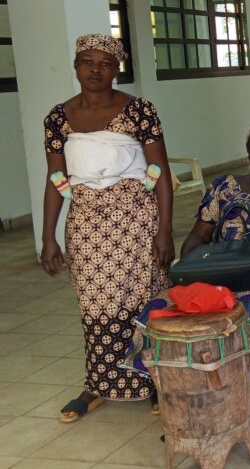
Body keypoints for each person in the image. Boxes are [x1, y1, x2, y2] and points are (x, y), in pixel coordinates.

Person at [125, 121, 250, 429]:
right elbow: (199, 235)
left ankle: (246, 396)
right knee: (162, 306)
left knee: (247, 313)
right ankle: (186, 390)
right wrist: (190, 270)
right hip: (222, 268)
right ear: (247, 151)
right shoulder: (225, 186)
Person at [40, 35, 174, 422]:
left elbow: (159, 171)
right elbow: (56, 178)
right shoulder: (58, 118)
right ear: (76, 66)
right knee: (95, 305)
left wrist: (164, 231)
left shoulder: (139, 110)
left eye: (104, 63)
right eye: (87, 62)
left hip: (136, 218)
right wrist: (48, 237)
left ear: (117, 69)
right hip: (85, 222)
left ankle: (155, 382)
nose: (95, 70)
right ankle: (98, 383)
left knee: (144, 298)